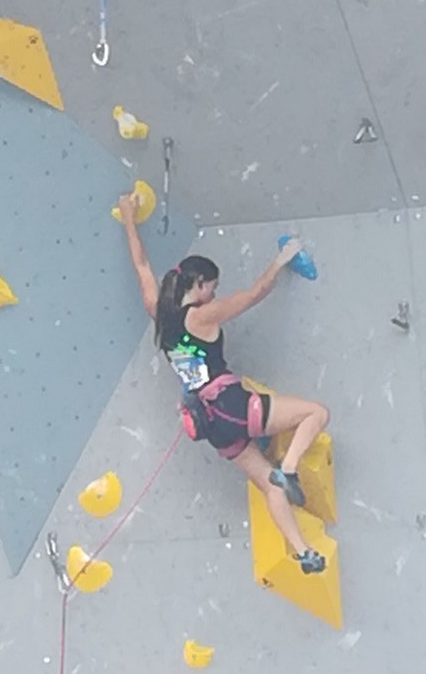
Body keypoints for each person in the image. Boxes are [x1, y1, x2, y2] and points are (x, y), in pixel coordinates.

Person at [117, 192, 331, 574]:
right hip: (234, 406)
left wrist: (129, 217)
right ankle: (289, 468)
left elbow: (141, 264)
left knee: (268, 486)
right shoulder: (201, 316)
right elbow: (253, 295)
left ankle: (303, 552)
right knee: (315, 414)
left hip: (212, 426)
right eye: (211, 287)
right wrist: (282, 259)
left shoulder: (158, 312)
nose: (213, 293)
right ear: (199, 284)